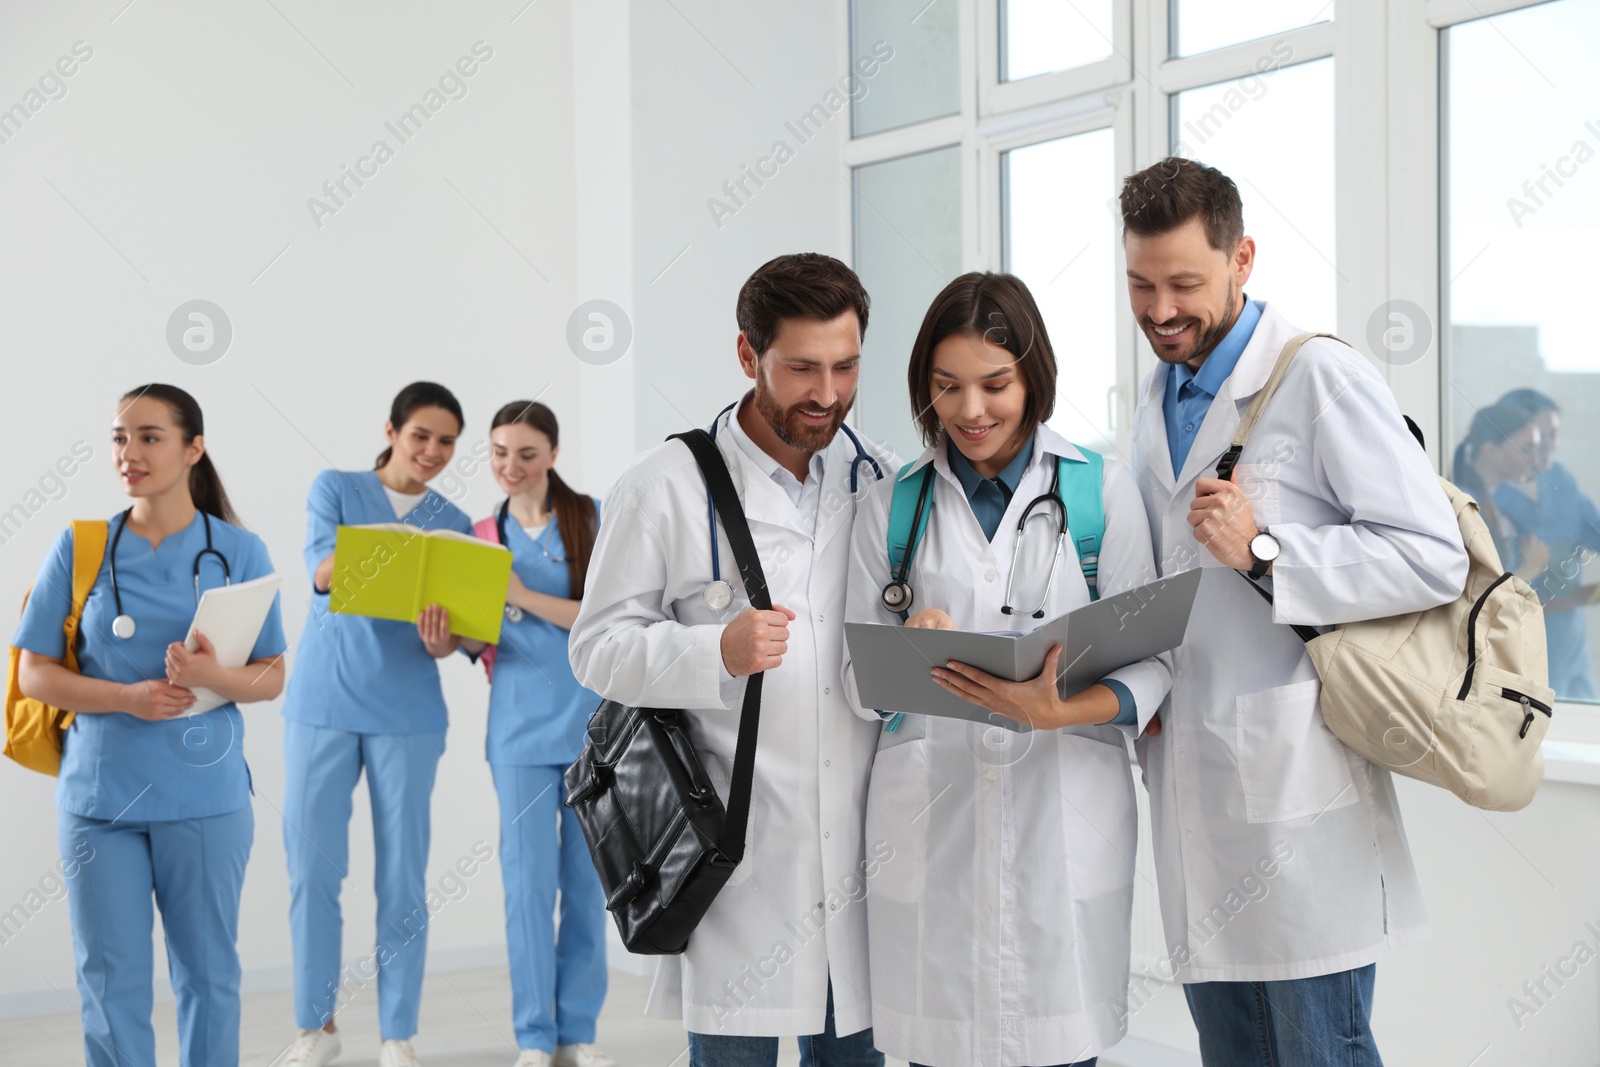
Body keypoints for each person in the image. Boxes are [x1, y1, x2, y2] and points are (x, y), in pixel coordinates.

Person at [1119, 157, 1469, 1067]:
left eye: (1185, 284)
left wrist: (1266, 552)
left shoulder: (1320, 378)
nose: (1160, 310)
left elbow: (1433, 556)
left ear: (1244, 260)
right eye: (1140, 283)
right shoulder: (1155, 397)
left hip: (1301, 792)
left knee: (1319, 1052)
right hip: (1193, 787)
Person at [569, 252, 894, 1067]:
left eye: (846, 366)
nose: (827, 393)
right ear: (749, 357)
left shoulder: (883, 478)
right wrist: (714, 648)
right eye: (802, 369)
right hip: (734, 855)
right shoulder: (664, 484)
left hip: (863, 850)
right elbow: (596, 648)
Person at [841, 273, 1172, 1067]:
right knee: (940, 1048)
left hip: (1065, 810)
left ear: (1033, 377)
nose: (970, 411)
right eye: (946, 387)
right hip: (932, 818)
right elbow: (855, 683)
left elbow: (1156, 655)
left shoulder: (1100, 493)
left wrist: (1066, 709)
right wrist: (908, 643)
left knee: (1059, 1045)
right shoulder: (890, 506)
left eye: (995, 384)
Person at [14, 384, 287, 1067]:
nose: (127, 452)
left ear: (193, 448)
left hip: (205, 799)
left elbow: (273, 674)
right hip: (101, 800)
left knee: (209, 976)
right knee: (110, 982)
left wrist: (211, 678)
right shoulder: (81, 548)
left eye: (148, 436)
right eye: (118, 437)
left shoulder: (240, 550)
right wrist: (126, 696)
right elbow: (33, 673)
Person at [279, 382, 475, 1067]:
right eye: (420, 434)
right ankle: (316, 1027)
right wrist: (395, 548)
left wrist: (440, 637)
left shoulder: (456, 522)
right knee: (312, 870)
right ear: (391, 429)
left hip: (407, 713)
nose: (432, 451)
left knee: (402, 877)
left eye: (447, 441)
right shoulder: (335, 488)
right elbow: (323, 572)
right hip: (323, 704)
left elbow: (459, 639)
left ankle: (397, 1033)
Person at [466, 401, 613, 1067]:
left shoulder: (592, 519)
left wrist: (521, 593)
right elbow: (476, 636)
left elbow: (604, 615)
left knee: (587, 886)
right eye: (499, 452)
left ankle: (575, 1034)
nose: (510, 466)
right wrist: (449, 634)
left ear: (552, 453)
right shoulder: (478, 535)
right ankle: (533, 1036)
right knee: (527, 886)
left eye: (526, 453)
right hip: (518, 732)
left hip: (592, 727)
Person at [1493, 388, 1600, 700]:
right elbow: (1497, 599)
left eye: (1555, 435)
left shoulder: (1565, 490)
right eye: (1542, 435)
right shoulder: (1487, 500)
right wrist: (1587, 595)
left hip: (1571, 650)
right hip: (1522, 652)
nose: (1551, 446)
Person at [1450, 399, 1544, 579]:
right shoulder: (1465, 504)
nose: (1536, 461)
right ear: (1491, 451)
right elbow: (1484, 593)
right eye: (1526, 449)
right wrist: (1531, 567)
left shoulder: (1491, 504)